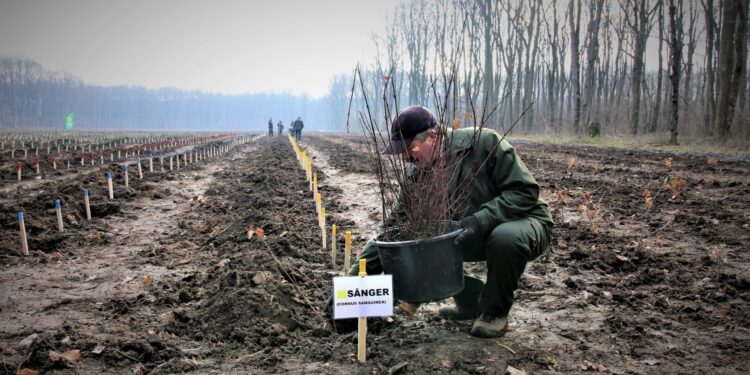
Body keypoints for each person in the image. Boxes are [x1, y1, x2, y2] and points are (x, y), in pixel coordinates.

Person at [348, 105, 553, 339]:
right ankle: (470, 302)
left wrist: (480, 219)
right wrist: (352, 284)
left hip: (524, 220)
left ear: (433, 137)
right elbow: (394, 227)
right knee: (419, 237)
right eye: (402, 153)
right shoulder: (416, 172)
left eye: (409, 148)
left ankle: (493, 313)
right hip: (469, 231)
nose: (406, 158)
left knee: (504, 238)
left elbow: (525, 191)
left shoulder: (483, 143)